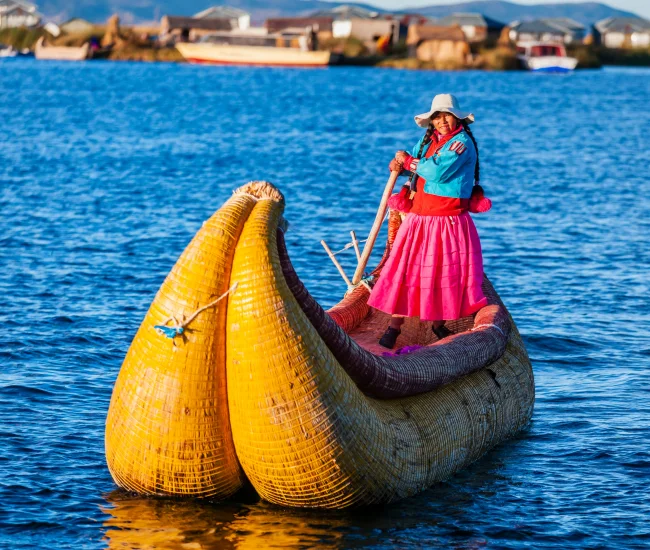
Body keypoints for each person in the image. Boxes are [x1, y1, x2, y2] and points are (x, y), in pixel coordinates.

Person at [367, 93, 490, 349]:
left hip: (446, 222)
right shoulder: (428, 141)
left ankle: (437, 325)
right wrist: (398, 163)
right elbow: (413, 160)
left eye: (447, 116)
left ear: (457, 118)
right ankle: (394, 326)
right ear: (431, 121)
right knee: (406, 270)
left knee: (440, 273)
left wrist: (409, 162)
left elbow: (436, 171)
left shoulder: (461, 143)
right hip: (419, 218)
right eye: (437, 117)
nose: (442, 121)